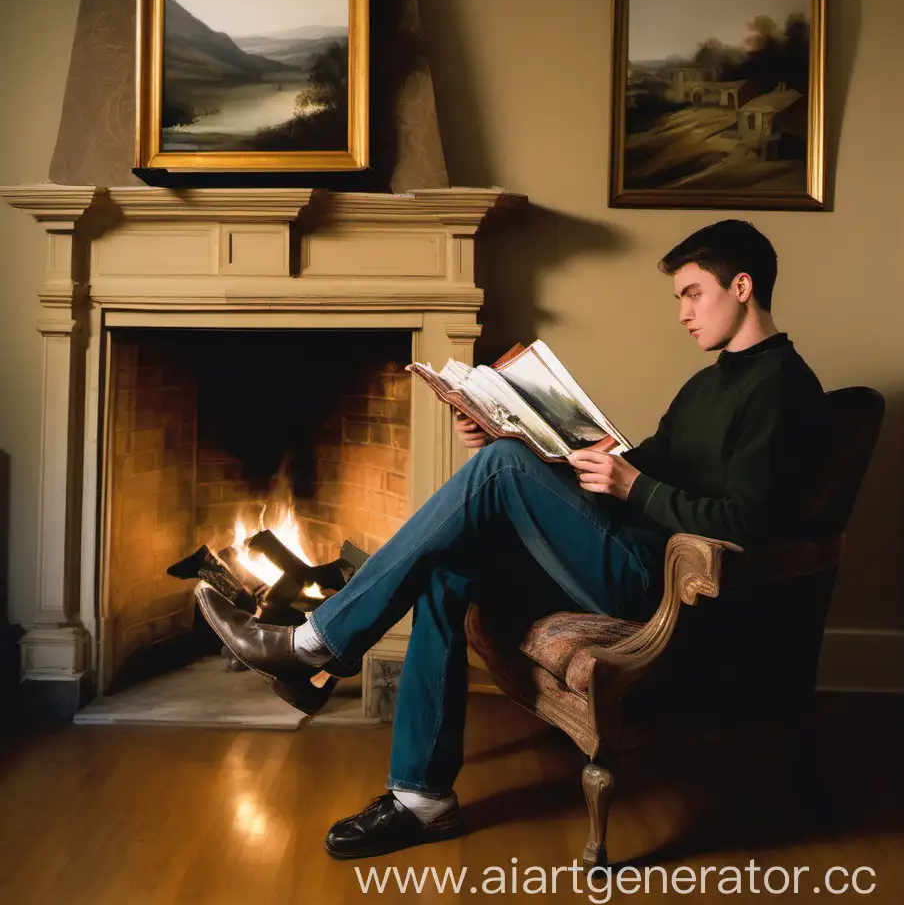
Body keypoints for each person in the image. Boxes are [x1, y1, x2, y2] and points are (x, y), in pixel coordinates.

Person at [195, 218, 826, 859]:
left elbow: (745, 523)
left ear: (741, 285)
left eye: (692, 293)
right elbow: (643, 464)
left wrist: (629, 484)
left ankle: (313, 644)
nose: (683, 313)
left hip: (663, 585)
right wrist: (515, 438)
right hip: (625, 550)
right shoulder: (706, 384)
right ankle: (422, 798)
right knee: (448, 568)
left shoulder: (783, 388)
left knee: (499, 472)